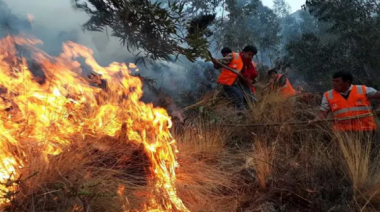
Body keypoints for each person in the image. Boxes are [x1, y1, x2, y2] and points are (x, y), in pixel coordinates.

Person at [308, 71, 380, 132]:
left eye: (337, 81)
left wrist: (378, 109)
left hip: (366, 131)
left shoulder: (363, 90)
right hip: (342, 133)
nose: (334, 83)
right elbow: (323, 113)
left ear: (347, 82)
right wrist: (315, 120)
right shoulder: (328, 95)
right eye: (333, 81)